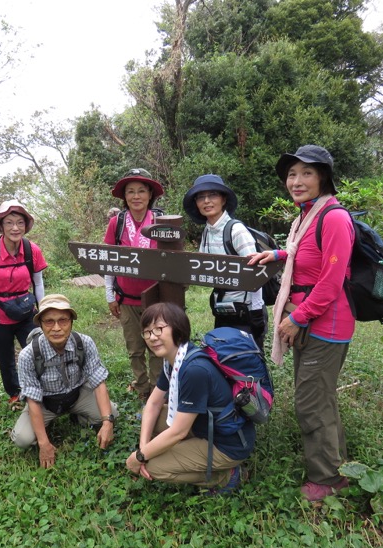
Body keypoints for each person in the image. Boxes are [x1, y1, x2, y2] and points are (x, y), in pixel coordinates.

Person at [248, 145, 354, 502]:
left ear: (323, 177)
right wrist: (276, 254)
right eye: (292, 174)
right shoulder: (306, 216)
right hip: (309, 321)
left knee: (310, 402)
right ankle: (337, 463)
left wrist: (297, 317)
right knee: (320, 398)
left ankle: (326, 480)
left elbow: (331, 280)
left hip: (326, 324)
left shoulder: (334, 217)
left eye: (306, 173)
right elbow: (301, 253)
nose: (296, 181)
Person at [125, 302, 254, 494]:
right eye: (147, 332)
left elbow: (178, 431)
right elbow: (152, 404)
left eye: (159, 329)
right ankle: (187, 453)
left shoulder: (194, 370)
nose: (152, 337)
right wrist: (142, 449)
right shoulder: (174, 360)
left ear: (178, 328)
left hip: (226, 444)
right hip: (202, 427)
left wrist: (140, 458)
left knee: (154, 467)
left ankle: (226, 476)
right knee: (154, 417)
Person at [11, 294, 118, 468]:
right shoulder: (28, 355)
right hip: (45, 402)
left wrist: (107, 422)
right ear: (40, 324)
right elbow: (33, 399)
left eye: (63, 320)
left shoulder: (84, 343)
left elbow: (98, 382)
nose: (56, 328)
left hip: (77, 394)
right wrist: (44, 443)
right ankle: (47, 425)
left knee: (112, 413)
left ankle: (79, 416)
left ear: (71, 322)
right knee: (23, 439)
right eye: (49, 322)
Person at [0, 200, 48, 409]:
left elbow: (38, 282)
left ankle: (41, 389)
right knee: (5, 359)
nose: (15, 228)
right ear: (1, 226)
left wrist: (42, 312)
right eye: (9, 223)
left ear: (26, 225)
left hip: (26, 311)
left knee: (36, 351)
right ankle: (15, 393)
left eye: (20, 223)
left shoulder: (32, 250)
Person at [182, 174, 268, 351]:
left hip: (246, 313)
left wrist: (257, 312)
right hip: (222, 310)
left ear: (223, 199)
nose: (206, 201)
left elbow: (257, 272)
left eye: (213, 195)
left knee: (247, 363)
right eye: (200, 197)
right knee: (224, 360)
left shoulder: (236, 230)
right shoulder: (207, 231)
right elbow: (202, 266)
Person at [103, 168, 165, 399]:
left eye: (141, 191)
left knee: (157, 346)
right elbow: (108, 260)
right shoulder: (116, 223)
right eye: (131, 192)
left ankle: (158, 391)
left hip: (156, 299)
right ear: (124, 196)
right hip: (126, 299)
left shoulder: (161, 221)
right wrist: (110, 295)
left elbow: (172, 261)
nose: (136, 196)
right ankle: (141, 388)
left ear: (150, 195)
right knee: (135, 349)